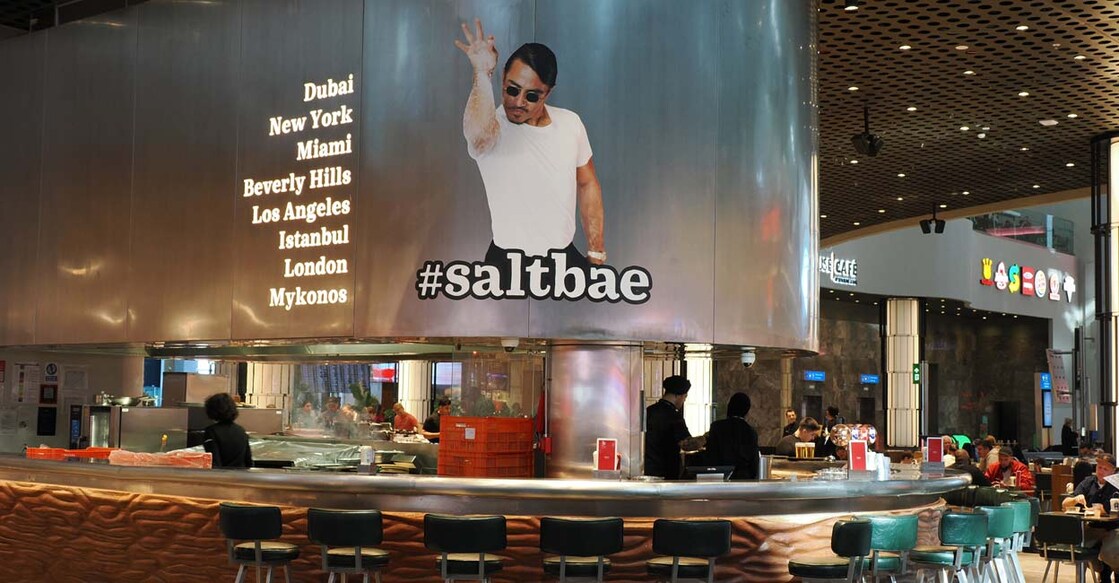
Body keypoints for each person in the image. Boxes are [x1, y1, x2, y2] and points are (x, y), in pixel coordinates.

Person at [455, 19, 607, 277]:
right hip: (506, 265)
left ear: (548, 93)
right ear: (503, 78)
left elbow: (587, 183)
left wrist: (596, 251)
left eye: (532, 96)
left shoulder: (570, 123)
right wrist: (482, 74)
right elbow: (476, 133)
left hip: (563, 261)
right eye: (511, 89)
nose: (518, 102)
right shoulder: (493, 128)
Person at [1063, 454, 1119, 582]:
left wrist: (1102, 509)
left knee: (1111, 552)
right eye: (1099, 467)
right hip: (1092, 527)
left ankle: (1113, 572)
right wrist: (1074, 499)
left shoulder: (1116, 485)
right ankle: (1102, 572)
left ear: (1113, 471)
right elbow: (1065, 504)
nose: (1101, 471)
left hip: (1113, 527)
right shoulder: (1088, 482)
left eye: (1106, 469)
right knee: (1081, 549)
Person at [644, 376, 693, 480]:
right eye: (685, 397)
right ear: (678, 396)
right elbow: (686, 444)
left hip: (647, 469)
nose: (683, 400)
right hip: (667, 472)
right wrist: (705, 438)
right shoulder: (674, 416)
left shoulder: (649, 411)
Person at [704, 393, 760, 480]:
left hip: (719, 476)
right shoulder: (751, 431)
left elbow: (712, 454)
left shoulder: (717, 427)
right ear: (747, 410)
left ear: (730, 406)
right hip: (743, 478)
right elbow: (754, 462)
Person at [202, 393, 253, 469]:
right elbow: (248, 461)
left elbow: (214, 462)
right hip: (241, 476)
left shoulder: (211, 432)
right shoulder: (241, 430)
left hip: (223, 477)